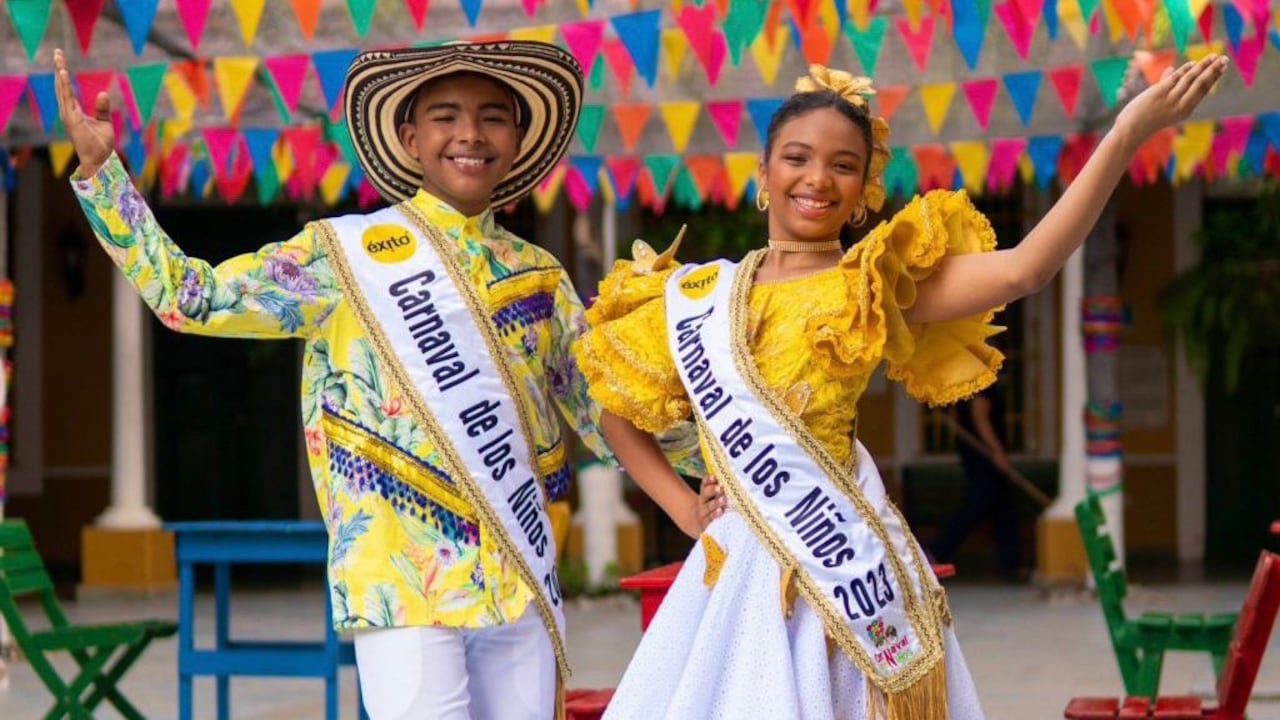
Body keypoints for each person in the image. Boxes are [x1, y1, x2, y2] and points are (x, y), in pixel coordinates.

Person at [575, 55, 1229, 720]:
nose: (818, 179)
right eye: (798, 158)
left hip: (844, 573)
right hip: (737, 571)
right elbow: (615, 415)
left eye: (843, 165)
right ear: (764, 174)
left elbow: (1024, 272)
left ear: (863, 190)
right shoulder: (696, 298)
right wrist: (686, 511)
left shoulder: (869, 284)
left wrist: (1123, 137)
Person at [55, 41, 611, 720]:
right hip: (400, 583)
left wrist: (710, 475)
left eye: (494, 117)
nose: (470, 134)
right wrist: (102, 173)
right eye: (446, 116)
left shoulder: (540, 276)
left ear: (518, 137)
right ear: (410, 138)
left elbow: (603, 411)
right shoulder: (340, 256)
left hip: (519, 579)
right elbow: (190, 297)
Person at [930, 379, 1028, 582]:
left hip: (975, 454)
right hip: (984, 456)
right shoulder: (982, 380)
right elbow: (979, 416)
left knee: (1004, 508)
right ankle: (933, 554)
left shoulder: (964, 380)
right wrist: (997, 451)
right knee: (976, 506)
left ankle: (1012, 565)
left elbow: (955, 417)